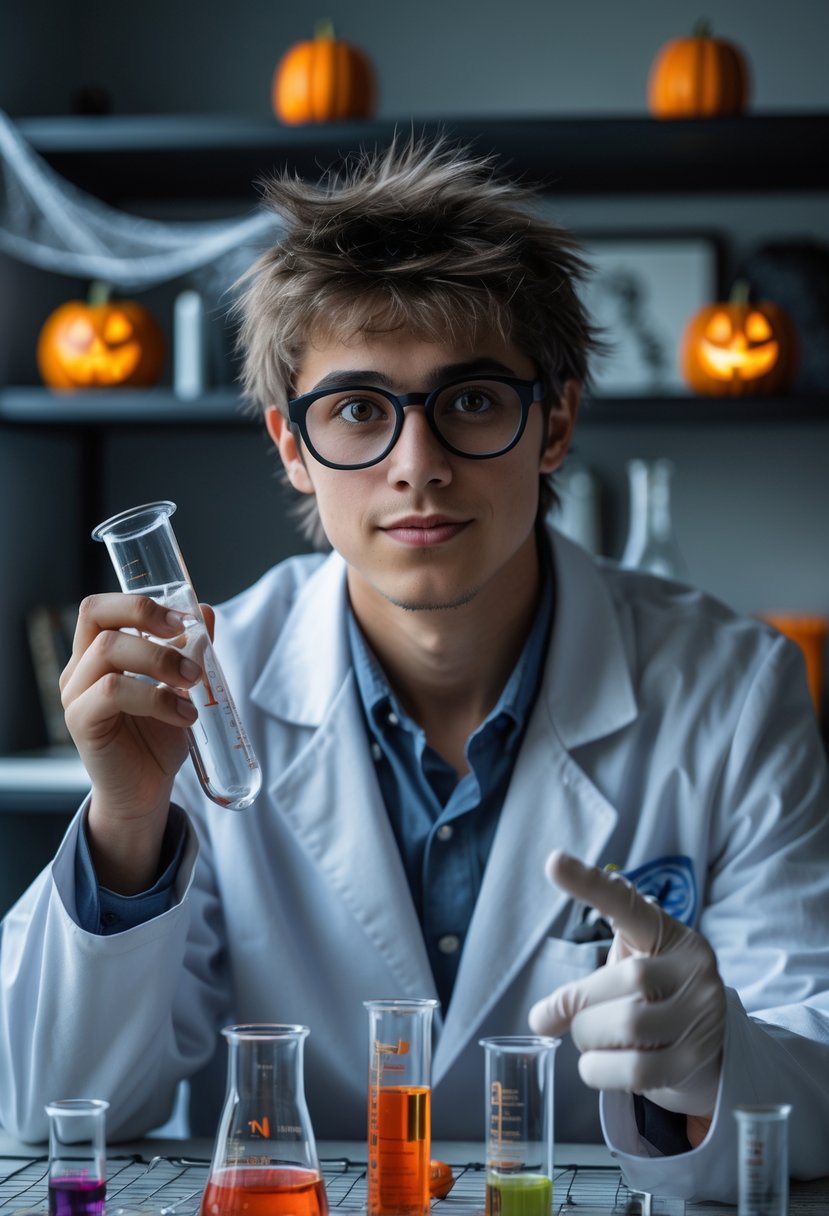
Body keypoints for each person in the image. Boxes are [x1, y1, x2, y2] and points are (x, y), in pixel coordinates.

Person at [2, 138, 828, 1204]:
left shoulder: (735, 686)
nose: (416, 462)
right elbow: (52, 1110)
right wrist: (125, 827)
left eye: (472, 399)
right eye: (356, 409)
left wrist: (712, 1061)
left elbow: (815, 1066)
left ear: (555, 420)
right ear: (290, 446)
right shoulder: (209, 693)